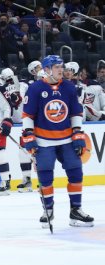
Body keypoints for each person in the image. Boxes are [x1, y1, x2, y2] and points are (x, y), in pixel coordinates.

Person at [22, 55, 94, 228]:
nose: (61, 70)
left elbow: (75, 113)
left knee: (76, 172)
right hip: (44, 140)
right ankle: (48, 210)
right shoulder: (35, 89)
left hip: (67, 139)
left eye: (61, 66)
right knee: (45, 176)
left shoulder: (69, 87)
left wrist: (77, 135)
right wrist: (29, 136)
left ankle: (75, 211)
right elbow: (27, 115)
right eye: (56, 67)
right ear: (46, 70)